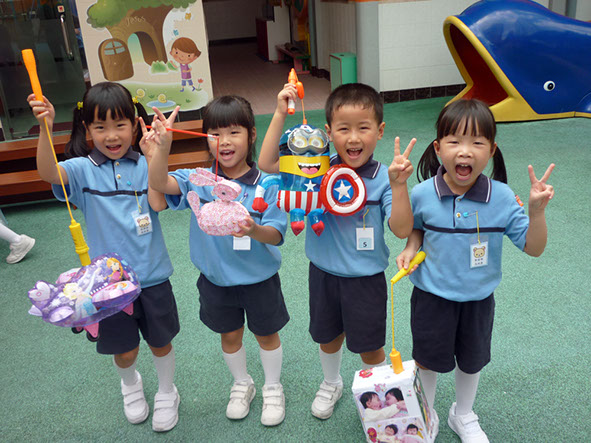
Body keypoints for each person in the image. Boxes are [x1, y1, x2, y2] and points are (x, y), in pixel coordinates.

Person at [396, 98, 555, 443]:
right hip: (431, 296)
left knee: (471, 361)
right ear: (438, 148)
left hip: (478, 299)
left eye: (477, 142)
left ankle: (463, 413)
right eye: (454, 141)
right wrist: (411, 246)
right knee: (427, 360)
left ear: (492, 150)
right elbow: (416, 227)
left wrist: (537, 213)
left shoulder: (502, 197)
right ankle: (426, 414)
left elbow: (534, 247)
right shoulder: (422, 193)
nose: (465, 151)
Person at [28, 82, 181, 432]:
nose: (111, 135)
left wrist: (158, 154)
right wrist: (45, 128)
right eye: (100, 127)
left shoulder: (146, 164)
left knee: (161, 342)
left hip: (153, 277)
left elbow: (158, 203)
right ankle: (130, 385)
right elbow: (48, 172)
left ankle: (167, 391)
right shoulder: (81, 169)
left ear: (134, 125)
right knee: (124, 350)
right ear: (87, 129)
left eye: (120, 125)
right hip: (106, 287)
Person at [258, 82, 416, 420]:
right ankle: (332, 382)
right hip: (323, 273)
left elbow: (402, 229)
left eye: (363, 128)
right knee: (327, 337)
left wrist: (399, 185)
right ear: (328, 133)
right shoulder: (316, 165)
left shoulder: (385, 178)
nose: (353, 138)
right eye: (344, 129)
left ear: (380, 131)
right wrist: (279, 112)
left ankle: (378, 394)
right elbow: (268, 163)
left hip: (366, 279)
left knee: (370, 347)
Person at [147, 95, 289, 426]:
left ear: (252, 135)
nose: (224, 141)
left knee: (267, 335)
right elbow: (158, 183)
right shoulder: (198, 179)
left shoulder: (268, 183)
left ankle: (272, 386)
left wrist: (253, 229)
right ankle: (242, 383)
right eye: (215, 133)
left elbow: (276, 235)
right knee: (229, 335)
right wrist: (162, 148)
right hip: (215, 281)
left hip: (260, 280)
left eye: (234, 132)